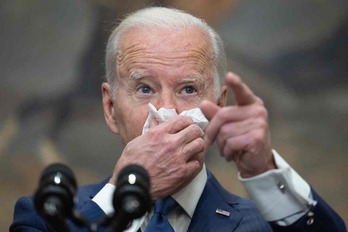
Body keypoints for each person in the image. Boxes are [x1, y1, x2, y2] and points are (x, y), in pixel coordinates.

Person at [11, 7, 346, 232]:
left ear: (219, 106)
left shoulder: (267, 223)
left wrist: (265, 170)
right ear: (111, 109)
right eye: (144, 89)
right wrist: (127, 194)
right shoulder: (44, 217)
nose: (167, 112)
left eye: (188, 89)